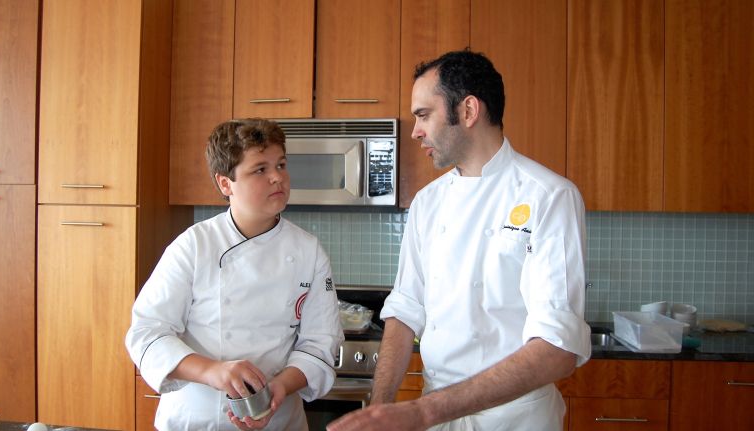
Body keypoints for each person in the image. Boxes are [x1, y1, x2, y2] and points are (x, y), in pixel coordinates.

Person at [327, 50, 591, 431]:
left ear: (468, 111)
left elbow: (557, 351)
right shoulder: (428, 202)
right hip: (436, 415)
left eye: (423, 115)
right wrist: (380, 407)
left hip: (513, 419)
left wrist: (422, 411)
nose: (415, 130)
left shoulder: (549, 197)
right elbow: (404, 310)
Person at [125, 118, 343, 430]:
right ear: (226, 183)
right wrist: (212, 371)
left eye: (280, 165)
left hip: (277, 421)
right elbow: (146, 332)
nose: (277, 178)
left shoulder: (308, 251)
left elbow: (320, 344)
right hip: (198, 420)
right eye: (260, 169)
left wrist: (279, 388)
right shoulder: (195, 245)